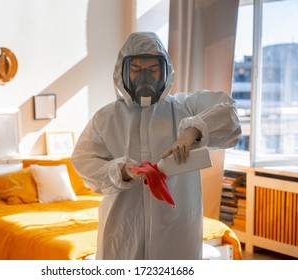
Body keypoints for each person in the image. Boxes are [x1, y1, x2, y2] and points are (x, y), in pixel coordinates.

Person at [71, 32, 241, 259]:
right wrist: (120, 170)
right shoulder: (106, 118)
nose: (145, 78)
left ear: (165, 71)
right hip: (123, 227)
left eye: (152, 70)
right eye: (136, 70)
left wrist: (192, 132)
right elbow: (83, 160)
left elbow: (228, 112)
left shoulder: (185, 108)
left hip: (177, 225)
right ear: (123, 71)